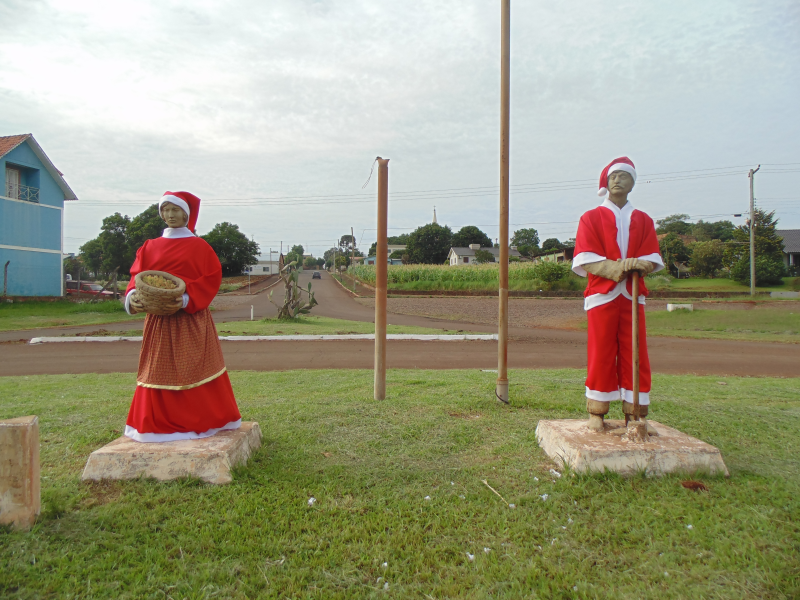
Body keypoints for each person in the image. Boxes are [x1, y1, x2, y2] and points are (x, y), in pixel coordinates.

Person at [122, 191, 242, 442]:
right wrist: (132, 295)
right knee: (157, 368)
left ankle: (199, 420)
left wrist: (188, 298)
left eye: (175, 210)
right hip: (159, 321)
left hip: (190, 319)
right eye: (165, 210)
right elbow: (137, 275)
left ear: (186, 214)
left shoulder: (199, 246)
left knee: (194, 367)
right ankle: (155, 424)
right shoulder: (149, 246)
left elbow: (211, 278)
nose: (170, 215)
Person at [571, 158, 664, 432]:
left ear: (633, 183)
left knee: (636, 350)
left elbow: (652, 256)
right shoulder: (591, 218)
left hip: (633, 296)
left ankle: (635, 411)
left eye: (624, 177)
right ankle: (597, 411)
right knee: (601, 350)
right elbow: (585, 256)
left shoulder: (644, 219)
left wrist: (639, 265)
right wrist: (614, 268)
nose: (617, 181)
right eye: (613, 177)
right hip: (602, 294)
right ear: (606, 183)